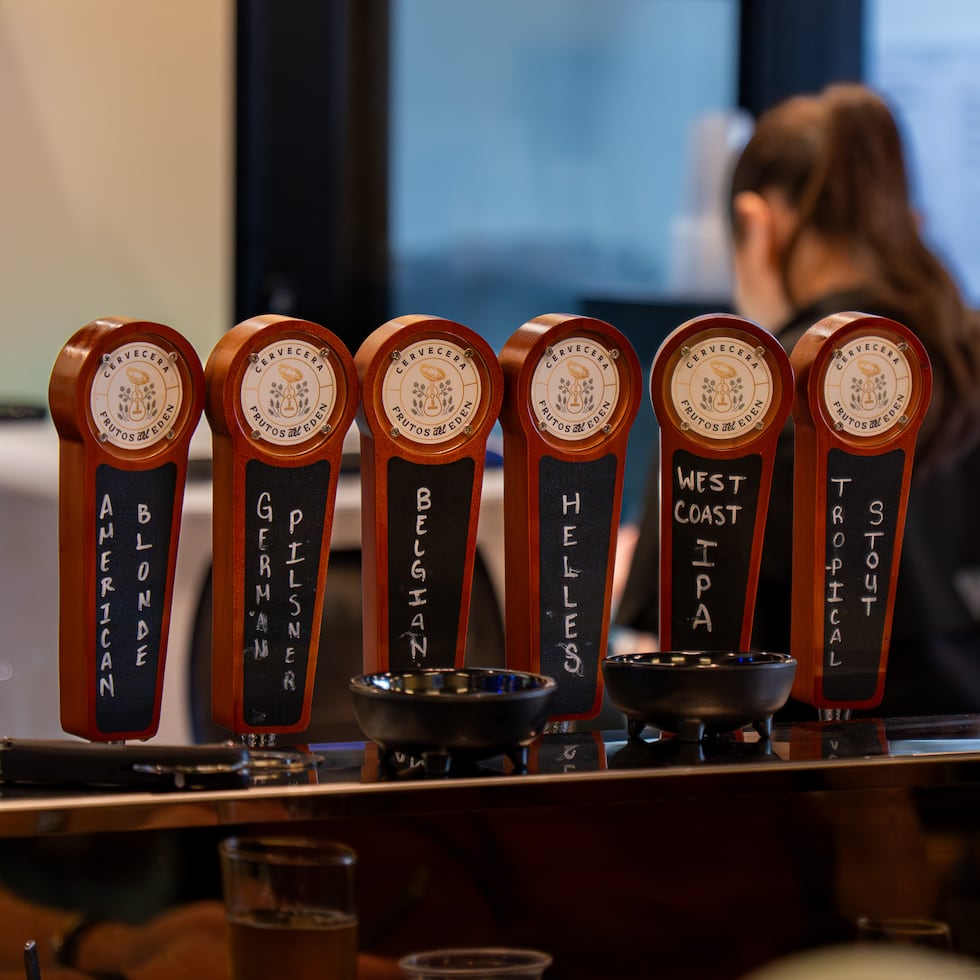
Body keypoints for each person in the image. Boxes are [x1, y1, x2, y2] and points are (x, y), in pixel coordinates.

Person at [616, 83, 980, 717]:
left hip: (797, 779)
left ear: (757, 225)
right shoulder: (960, 351)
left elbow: (668, 656)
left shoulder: (739, 402)